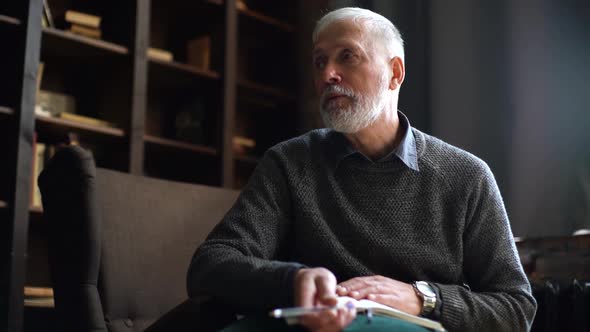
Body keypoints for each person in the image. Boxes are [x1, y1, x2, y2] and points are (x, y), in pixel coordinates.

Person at [187, 7, 536, 332]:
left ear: (395, 73)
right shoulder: (290, 163)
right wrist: (292, 281)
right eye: (319, 62)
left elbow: (516, 308)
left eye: (347, 56)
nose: (328, 75)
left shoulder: (467, 176)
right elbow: (211, 264)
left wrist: (423, 298)